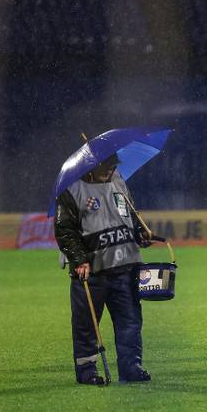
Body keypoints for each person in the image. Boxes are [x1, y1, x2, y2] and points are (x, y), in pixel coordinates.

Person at [54, 154, 154, 384]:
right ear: (91, 166)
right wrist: (80, 260)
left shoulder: (118, 180)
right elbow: (65, 231)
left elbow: (128, 215)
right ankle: (87, 371)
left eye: (112, 166)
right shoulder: (71, 189)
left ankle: (131, 367)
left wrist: (140, 233)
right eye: (106, 167)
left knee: (130, 322)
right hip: (92, 272)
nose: (110, 170)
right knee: (87, 324)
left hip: (125, 267)